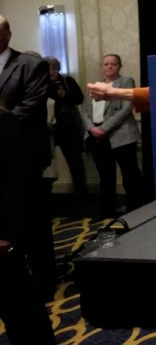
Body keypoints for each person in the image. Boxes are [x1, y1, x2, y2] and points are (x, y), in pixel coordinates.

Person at [0, 16, 58, 302]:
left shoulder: (30, 64)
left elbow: (32, 108)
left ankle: (45, 281)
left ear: (8, 34)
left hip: (24, 158)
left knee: (33, 224)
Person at [0, 108, 57, 345]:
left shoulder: (4, 122)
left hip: (3, 234)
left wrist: (7, 232)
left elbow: (18, 179)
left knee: (19, 306)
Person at [81, 54, 144, 218]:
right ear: (102, 67)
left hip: (121, 135)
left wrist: (104, 128)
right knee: (106, 177)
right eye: (106, 64)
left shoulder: (126, 82)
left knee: (130, 176)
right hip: (96, 137)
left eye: (113, 64)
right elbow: (85, 111)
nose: (109, 67)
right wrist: (92, 129)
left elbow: (126, 108)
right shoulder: (95, 85)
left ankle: (134, 211)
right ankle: (106, 212)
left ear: (119, 66)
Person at [45, 56, 88, 197]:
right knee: (45, 164)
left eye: (53, 68)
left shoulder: (67, 81)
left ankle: (82, 195)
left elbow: (79, 99)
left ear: (58, 69)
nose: (50, 72)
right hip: (45, 128)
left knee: (75, 162)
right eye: (47, 69)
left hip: (67, 128)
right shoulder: (37, 83)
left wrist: (64, 94)